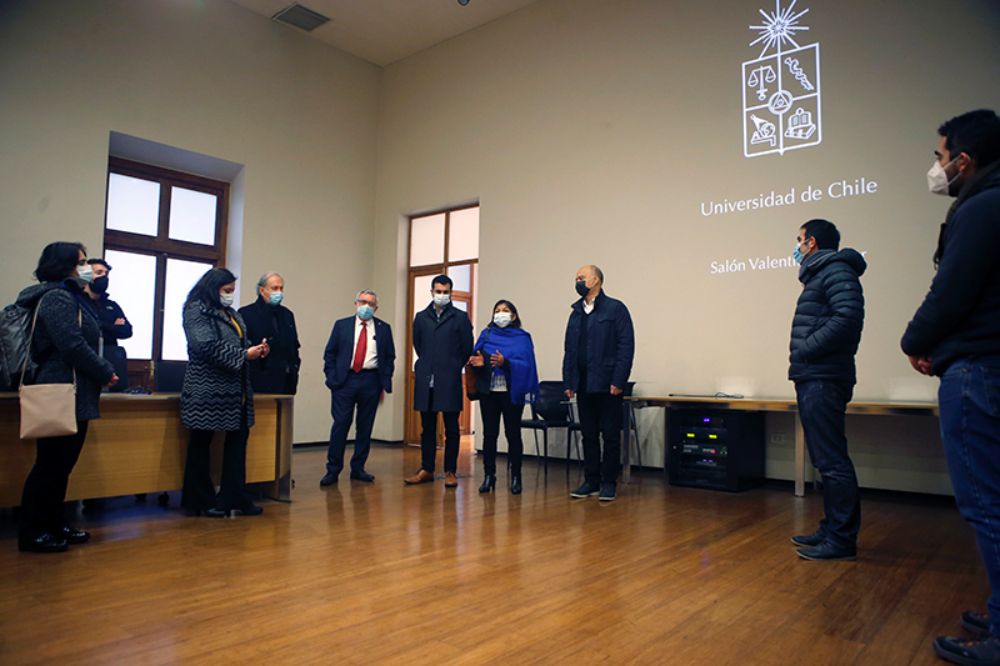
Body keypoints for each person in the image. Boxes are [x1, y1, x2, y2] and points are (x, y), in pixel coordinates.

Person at [900, 109, 1000, 665]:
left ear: (965, 160)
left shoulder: (981, 208)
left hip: (977, 371)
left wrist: (915, 341)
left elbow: (952, 290)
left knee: (986, 504)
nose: (937, 168)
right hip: (983, 364)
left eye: (940, 157)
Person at [16, 242, 118, 553]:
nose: (87, 268)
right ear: (65, 266)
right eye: (82, 262)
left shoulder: (72, 296)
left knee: (62, 466)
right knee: (50, 465)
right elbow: (71, 345)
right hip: (60, 389)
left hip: (76, 391)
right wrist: (104, 371)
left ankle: (55, 522)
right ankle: (33, 530)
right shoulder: (56, 297)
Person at [787, 219, 866, 562]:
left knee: (832, 460)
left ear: (813, 243)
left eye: (799, 240)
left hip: (823, 376)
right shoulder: (823, 274)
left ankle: (841, 539)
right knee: (825, 459)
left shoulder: (836, 270)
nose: (797, 246)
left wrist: (806, 348)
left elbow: (847, 318)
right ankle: (831, 528)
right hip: (814, 375)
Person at [180, 267, 269, 518]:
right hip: (206, 390)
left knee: (237, 445)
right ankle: (200, 500)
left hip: (236, 391)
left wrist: (256, 350)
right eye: (226, 290)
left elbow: (238, 343)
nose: (230, 294)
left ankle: (235, 496)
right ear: (213, 288)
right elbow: (205, 345)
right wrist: (244, 354)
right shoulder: (195, 310)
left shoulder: (231, 314)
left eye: (232, 290)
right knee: (201, 446)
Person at [563, 265, 635, 502]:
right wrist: (568, 381)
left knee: (611, 435)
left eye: (581, 277)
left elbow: (626, 346)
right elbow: (569, 350)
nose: (577, 281)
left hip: (607, 383)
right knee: (589, 435)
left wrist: (619, 380)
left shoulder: (615, 308)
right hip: (583, 384)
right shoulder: (575, 313)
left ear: (595, 280)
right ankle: (591, 480)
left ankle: (608, 482)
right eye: (576, 278)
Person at [321, 290, 395, 486]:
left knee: (365, 426)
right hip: (345, 381)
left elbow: (389, 357)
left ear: (376, 308)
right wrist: (332, 378)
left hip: (371, 381)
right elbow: (330, 353)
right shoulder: (341, 325)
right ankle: (333, 470)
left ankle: (358, 468)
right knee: (341, 424)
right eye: (363, 302)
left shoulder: (384, 328)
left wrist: (384, 380)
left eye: (371, 304)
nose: (366, 306)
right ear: (355, 303)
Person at [404, 275, 473, 487]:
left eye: (445, 292)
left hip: (449, 378)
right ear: (432, 292)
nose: (441, 295)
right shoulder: (421, 317)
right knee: (427, 427)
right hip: (427, 379)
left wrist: (452, 365)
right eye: (438, 291)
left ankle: (450, 471)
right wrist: (429, 363)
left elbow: (467, 348)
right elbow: (418, 345)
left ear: (450, 293)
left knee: (451, 428)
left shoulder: (460, 317)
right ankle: (427, 469)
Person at [468, 299, 539, 495]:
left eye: (505, 310)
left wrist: (505, 362)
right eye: (497, 310)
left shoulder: (523, 338)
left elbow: (527, 365)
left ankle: (516, 477)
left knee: (513, 434)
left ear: (513, 316)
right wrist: (478, 361)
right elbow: (476, 357)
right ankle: (488, 476)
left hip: (511, 393)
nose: (500, 314)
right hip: (488, 392)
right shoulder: (486, 334)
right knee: (489, 435)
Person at [238, 272, 301, 395]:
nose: (279, 292)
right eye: (274, 288)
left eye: (281, 288)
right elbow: (242, 348)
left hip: (286, 381)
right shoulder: (246, 313)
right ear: (262, 290)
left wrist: (295, 367)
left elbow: (294, 346)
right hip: (258, 381)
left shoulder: (287, 315)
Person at [83, 258, 132, 392]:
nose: (104, 277)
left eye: (106, 274)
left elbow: (127, 331)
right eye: (99, 273)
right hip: (86, 361)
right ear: (86, 276)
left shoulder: (112, 305)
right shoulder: (79, 302)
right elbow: (84, 328)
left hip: (110, 360)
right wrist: (113, 326)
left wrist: (102, 325)